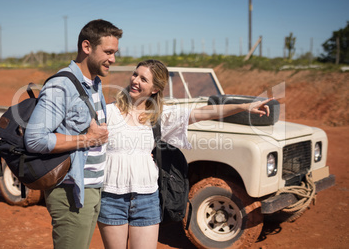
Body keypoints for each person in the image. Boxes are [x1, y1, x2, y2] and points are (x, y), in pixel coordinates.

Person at [97, 59, 272, 249]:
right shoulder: (108, 112)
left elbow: (205, 112)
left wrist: (244, 107)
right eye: (135, 74)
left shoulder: (159, 116)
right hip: (111, 197)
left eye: (143, 79)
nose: (135, 80)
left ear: (155, 89)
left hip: (146, 198)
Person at [24, 19, 123, 249]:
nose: (113, 59)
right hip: (71, 192)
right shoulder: (62, 85)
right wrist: (88, 139)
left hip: (92, 189)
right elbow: (35, 139)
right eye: (108, 52)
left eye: (115, 52)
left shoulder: (94, 83)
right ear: (87, 47)